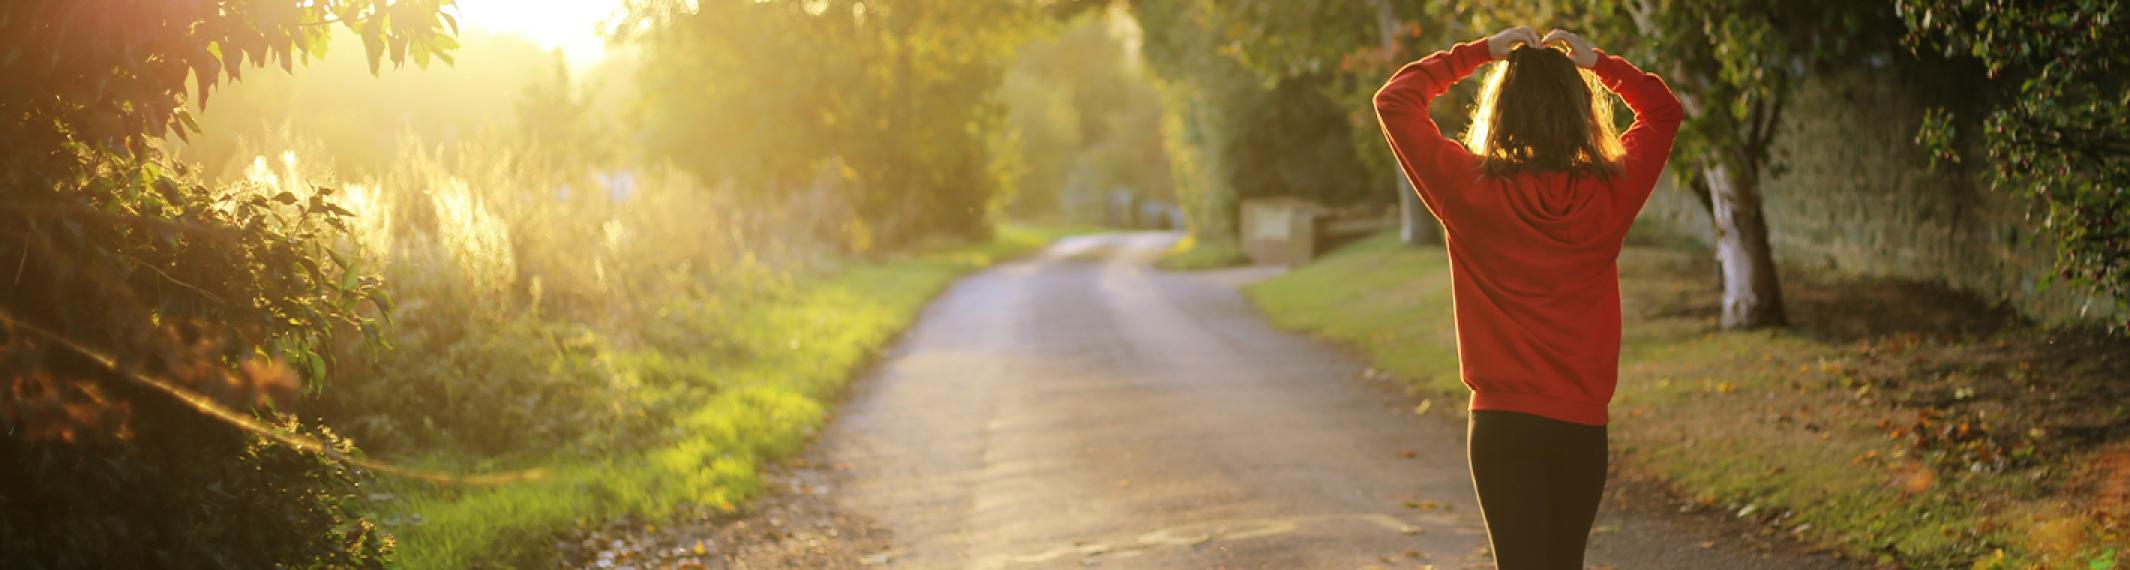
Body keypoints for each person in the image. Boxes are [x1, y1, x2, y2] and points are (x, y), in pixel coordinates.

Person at [1371, 26, 1684, 570]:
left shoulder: (1468, 189)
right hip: (1582, 427)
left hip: (1502, 426)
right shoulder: (1610, 190)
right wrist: (1599, 64)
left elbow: (1395, 100)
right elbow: (1663, 113)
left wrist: (1479, 52)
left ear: (1501, 110)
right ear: (1581, 112)